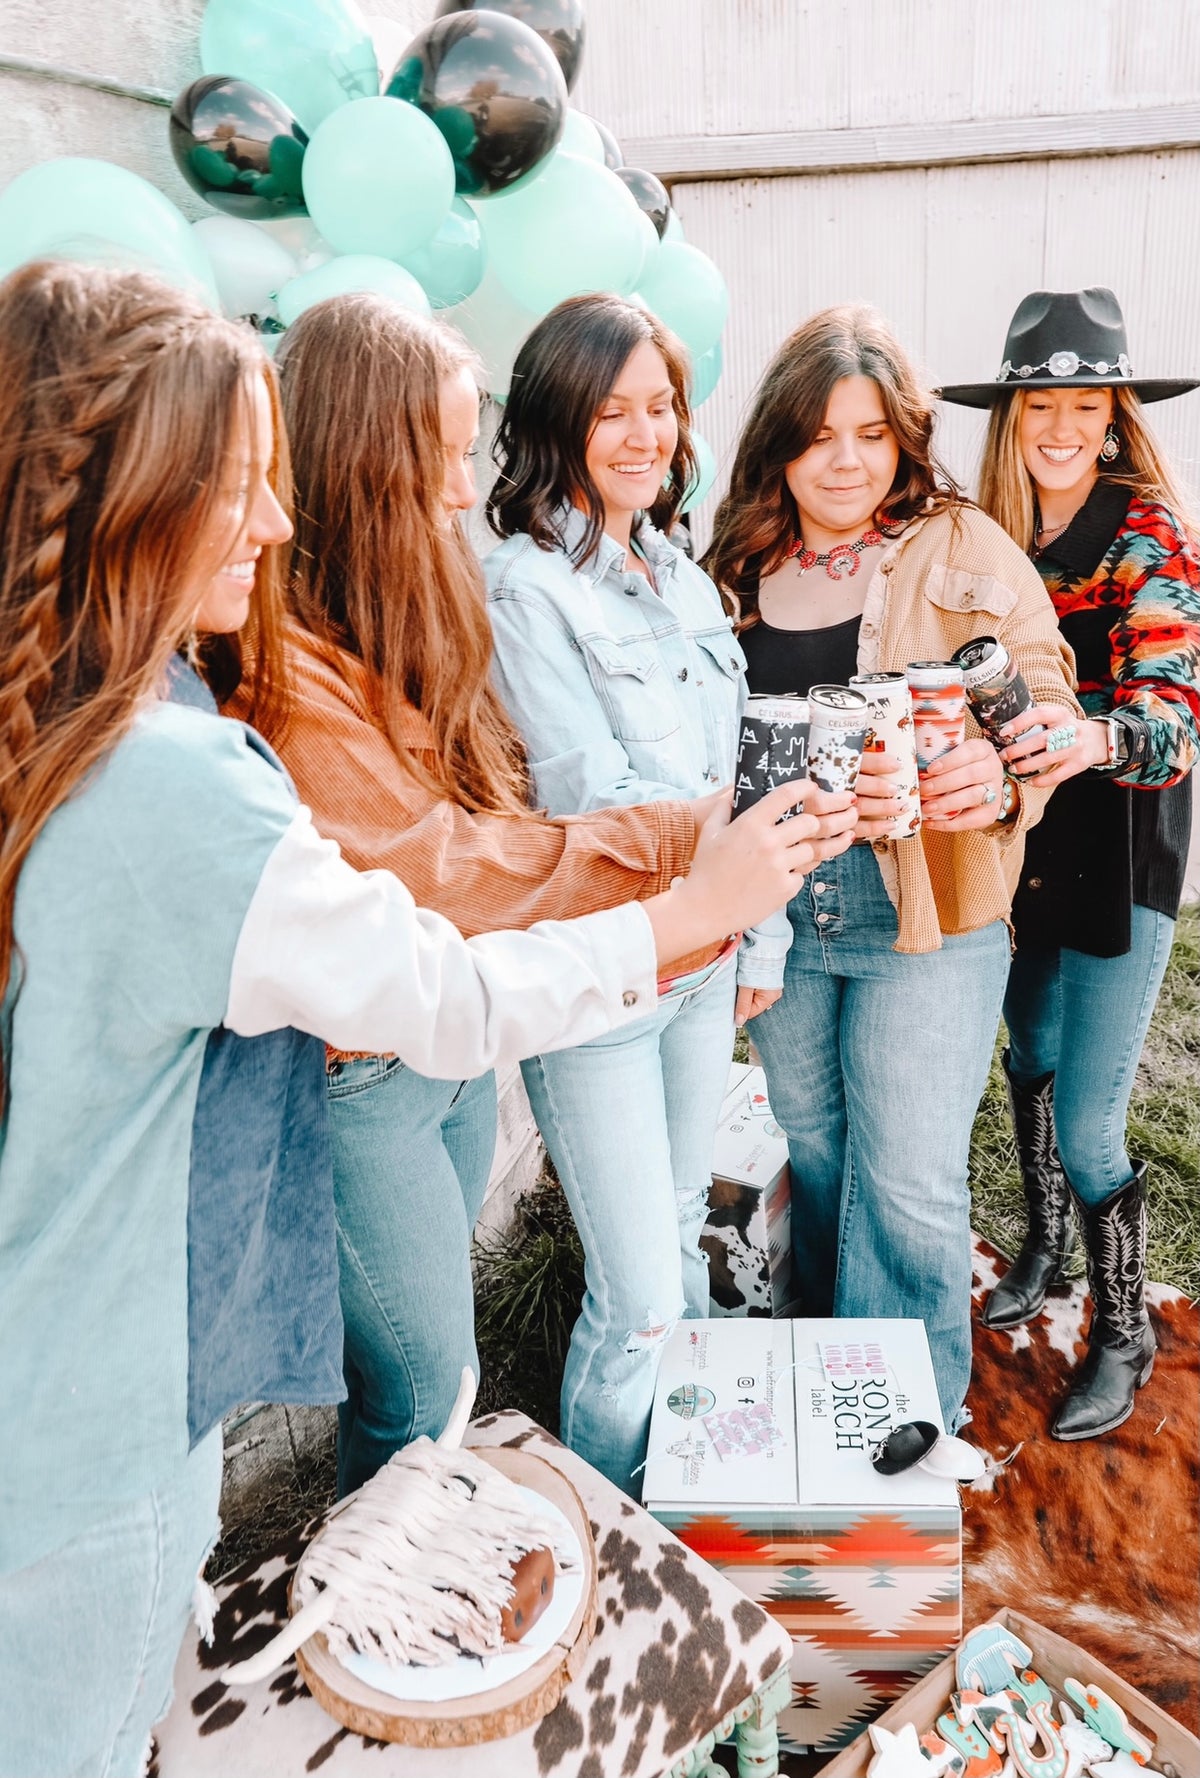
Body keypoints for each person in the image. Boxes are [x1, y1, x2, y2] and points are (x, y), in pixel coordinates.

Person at [0, 258, 840, 1778]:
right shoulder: (179, 772)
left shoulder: (67, 715)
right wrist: (686, 906)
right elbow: (445, 980)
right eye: (239, 484)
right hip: (90, 1430)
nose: (271, 518)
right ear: (138, 495)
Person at [234, 293, 856, 1496]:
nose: (463, 489)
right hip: (402, 1052)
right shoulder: (348, 645)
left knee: (574, 1297)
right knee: (434, 1385)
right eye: (440, 458)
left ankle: (599, 1522)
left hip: (483, 1032)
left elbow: (533, 804)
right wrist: (697, 844)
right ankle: (415, 1606)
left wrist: (741, 880)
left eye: (661, 405)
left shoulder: (457, 599)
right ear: (365, 458)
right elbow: (454, 855)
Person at [484, 293, 841, 1492]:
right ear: (554, 422)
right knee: (636, 1297)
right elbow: (601, 805)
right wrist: (736, 866)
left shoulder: (679, 572)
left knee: (683, 1233)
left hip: (704, 964)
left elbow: (749, 765)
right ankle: (608, 1533)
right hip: (603, 971)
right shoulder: (527, 589)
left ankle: (687, 1507)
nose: (645, 434)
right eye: (611, 411)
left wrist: (759, 932)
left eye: (662, 407)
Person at [703, 303, 1080, 1431]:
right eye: (821, 435)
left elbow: (1047, 690)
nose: (847, 460)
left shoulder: (962, 544)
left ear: (904, 439)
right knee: (819, 1149)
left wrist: (1010, 777)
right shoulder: (732, 561)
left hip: (930, 904)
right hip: (781, 901)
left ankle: (903, 1421)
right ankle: (832, 1370)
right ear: (780, 443)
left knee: (910, 1177)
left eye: (871, 433)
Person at [942, 286, 1200, 1439]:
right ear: (1011, 417)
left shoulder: (1147, 534)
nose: (1060, 425)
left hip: (1123, 841)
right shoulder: (987, 532)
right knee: (1029, 1051)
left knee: (1093, 1121)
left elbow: (1177, 716)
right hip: (1021, 839)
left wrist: (1092, 733)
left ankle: (1123, 1329)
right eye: (1039, 402)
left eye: (1084, 402)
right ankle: (1044, 1241)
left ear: (1112, 416)